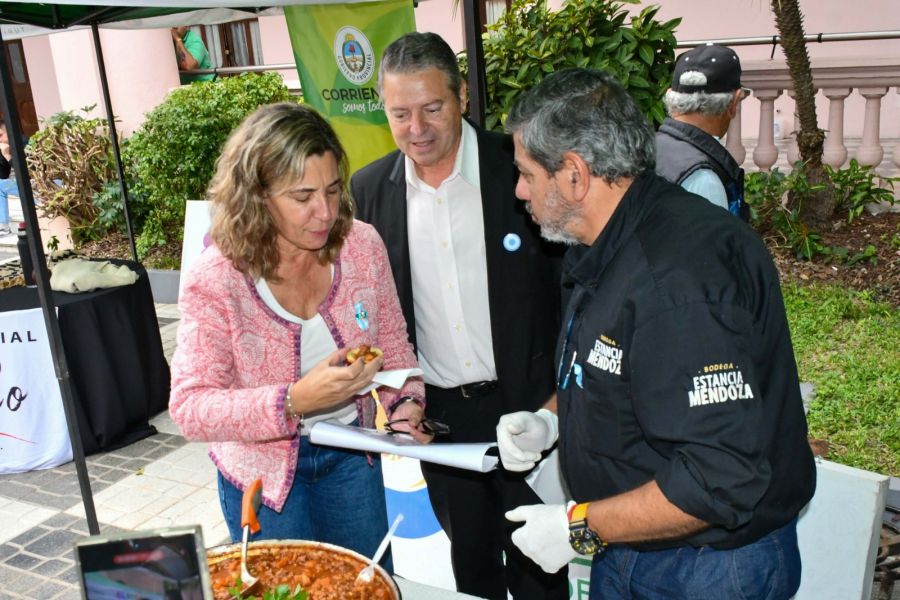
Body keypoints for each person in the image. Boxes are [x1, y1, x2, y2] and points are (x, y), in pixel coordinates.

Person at [496, 68, 816, 599]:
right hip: (630, 538)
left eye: (527, 173)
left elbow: (721, 477)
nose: (519, 190)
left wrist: (578, 527)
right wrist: (552, 418)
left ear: (574, 174)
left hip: (709, 568)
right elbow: (614, 366)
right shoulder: (605, 239)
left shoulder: (678, 281)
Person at [351, 32, 567, 600]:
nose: (416, 129)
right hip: (442, 422)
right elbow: (375, 316)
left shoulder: (518, 166)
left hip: (531, 409)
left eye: (432, 108)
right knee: (471, 569)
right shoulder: (370, 191)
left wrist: (560, 402)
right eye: (400, 114)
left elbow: (567, 289)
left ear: (462, 95)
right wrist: (397, 398)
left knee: (542, 570)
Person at [169, 102, 429, 568]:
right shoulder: (218, 277)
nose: (325, 212)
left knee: (364, 585)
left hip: (353, 459)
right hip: (262, 477)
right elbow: (191, 408)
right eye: (302, 196)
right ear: (257, 196)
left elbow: (392, 342)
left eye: (332, 189)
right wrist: (292, 401)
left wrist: (406, 402)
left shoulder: (362, 245)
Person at [655, 43, 749, 219]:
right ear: (733, 103)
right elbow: (715, 237)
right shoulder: (705, 179)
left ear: (670, 95)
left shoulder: (642, 150)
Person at [0, 120, 21, 236]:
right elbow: (3, 176)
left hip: (43, 187)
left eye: (0, 135)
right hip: (23, 186)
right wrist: (3, 155)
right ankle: (3, 226)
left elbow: (27, 173)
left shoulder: (25, 143)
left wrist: (8, 155)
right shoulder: (5, 148)